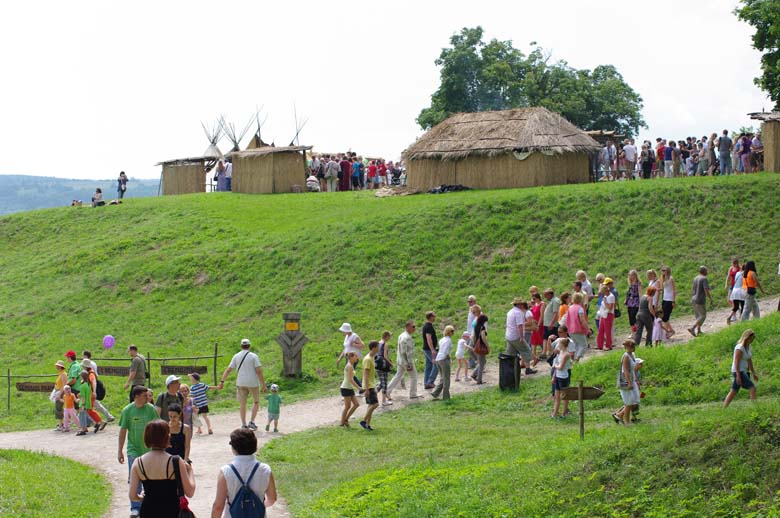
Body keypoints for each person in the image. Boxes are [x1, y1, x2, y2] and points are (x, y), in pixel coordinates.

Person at [129, 419, 196, 516]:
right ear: (167, 437)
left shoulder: (138, 462)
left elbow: (132, 496)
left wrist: (143, 498)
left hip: (148, 511)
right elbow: (190, 492)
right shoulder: (176, 461)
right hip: (172, 511)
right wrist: (190, 471)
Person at [211, 428, 277, 518]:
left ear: (234, 448)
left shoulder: (226, 471)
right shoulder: (265, 470)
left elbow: (218, 506)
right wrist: (259, 506)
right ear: (255, 446)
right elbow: (272, 498)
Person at [118, 385, 160, 517]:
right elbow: (123, 431)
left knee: (151, 478)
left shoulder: (151, 409)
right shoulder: (127, 410)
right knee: (135, 478)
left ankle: (151, 504)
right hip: (133, 449)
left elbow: (158, 427)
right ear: (136, 396)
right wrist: (120, 450)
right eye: (144, 395)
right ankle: (135, 507)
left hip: (150, 449)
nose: (148, 398)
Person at [219, 338, 268, 431]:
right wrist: (264, 385)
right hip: (253, 382)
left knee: (242, 404)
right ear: (249, 346)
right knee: (256, 402)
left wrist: (222, 381)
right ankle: (252, 421)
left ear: (241, 346)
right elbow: (259, 371)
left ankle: (244, 424)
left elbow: (228, 370)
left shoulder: (236, 356)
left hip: (240, 382)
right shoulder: (254, 356)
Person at [723, 329, 759, 407]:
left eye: (753, 339)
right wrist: (738, 376)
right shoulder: (740, 348)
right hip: (739, 371)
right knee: (752, 388)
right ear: (746, 338)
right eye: (751, 339)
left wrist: (753, 373)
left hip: (744, 371)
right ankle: (755, 408)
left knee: (734, 390)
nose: (752, 341)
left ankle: (724, 408)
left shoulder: (748, 347)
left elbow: (749, 360)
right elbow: (736, 362)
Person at [386, 320, 419, 399]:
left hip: (400, 360)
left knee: (398, 375)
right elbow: (406, 352)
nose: (414, 328)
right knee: (414, 376)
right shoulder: (407, 337)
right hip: (405, 361)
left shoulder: (402, 335)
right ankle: (413, 394)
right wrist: (409, 364)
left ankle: (387, 391)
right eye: (413, 327)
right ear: (408, 327)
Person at [505, 297, 536, 376]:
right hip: (516, 336)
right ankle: (528, 369)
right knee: (526, 350)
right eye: (521, 304)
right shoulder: (518, 313)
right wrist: (522, 337)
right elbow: (520, 326)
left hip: (509, 335)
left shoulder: (510, 312)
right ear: (519, 305)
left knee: (511, 353)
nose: (523, 305)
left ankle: (512, 370)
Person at [613, 340, 639, 425]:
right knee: (629, 402)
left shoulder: (633, 355)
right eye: (631, 347)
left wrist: (636, 380)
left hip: (633, 379)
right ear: (627, 347)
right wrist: (629, 383)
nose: (633, 348)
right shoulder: (626, 357)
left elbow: (634, 368)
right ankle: (626, 421)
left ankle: (619, 415)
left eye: (634, 346)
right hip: (626, 381)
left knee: (634, 400)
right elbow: (625, 371)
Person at [83, 350, 114, 422]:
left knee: (94, 405)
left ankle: (102, 419)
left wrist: (94, 391)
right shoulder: (93, 364)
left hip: (92, 388)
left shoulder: (90, 372)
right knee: (92, 405)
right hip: (91, 387)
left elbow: (93, 380)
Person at [336, 323, 365, 391]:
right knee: (350, 373)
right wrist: (340, 358)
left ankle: (360, 389)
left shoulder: (354, 336)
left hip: (353, 357)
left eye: (343, 331)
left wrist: (354, 344)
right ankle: (360, 388)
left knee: (350, 374)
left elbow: (362, 345)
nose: (342, 332)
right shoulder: (347, 336)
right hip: (348, 357)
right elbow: (346, 349)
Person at [80, 359, 105, 432]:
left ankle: (100, 422)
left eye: (83, 366)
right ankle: (99, 422)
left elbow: (94, 382)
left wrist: (94, 392)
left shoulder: (91, 374)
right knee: (89, 410)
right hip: (89, 394)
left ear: (85, 366)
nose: (82, 367)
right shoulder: (89, 373)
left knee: (89, 410)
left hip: (90, 394)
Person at [688, 266, 714, 337]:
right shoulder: (704, 279)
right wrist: (710, 298)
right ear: (704, 271)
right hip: (700, 299)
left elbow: (693, 289)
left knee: (698, 316)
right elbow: (706, 290)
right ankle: (692, 328)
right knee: (703, 316)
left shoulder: (695, 278)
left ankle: (699, 331)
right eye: (706, 271)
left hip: (694, 299)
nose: (707, 272)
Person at [360, 341, 380, 431]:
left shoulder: (372, 357)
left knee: (370, 406)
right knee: (375, 404)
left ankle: (367, 425)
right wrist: (367, 389)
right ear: (374, 348)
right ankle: (363, 420)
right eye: (378, 346)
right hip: (368, 386)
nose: (379, 348)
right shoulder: (368, 359)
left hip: (371, 384)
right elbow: (365, 374)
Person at [551, 338, 572, 419]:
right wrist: (554, 376)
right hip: (558, 376)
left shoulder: (566, 354)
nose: (558, 345)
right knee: (557, 396)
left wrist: (555, 365)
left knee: (564, 396)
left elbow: (560, 367)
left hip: (563, 377)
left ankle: (564, 413)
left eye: (559, 343)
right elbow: (557, 367)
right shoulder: (560, 352)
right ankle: (555, 413)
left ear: (562, 345)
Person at [432, 326, 454, 400]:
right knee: (446, 378)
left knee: (442, 377)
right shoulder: (448, 340)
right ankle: (446, 396)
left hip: (438, 358)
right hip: (444, 359)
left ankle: (435, 392)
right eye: (452, 331)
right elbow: (446, 351)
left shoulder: (442, 339)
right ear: (449, 332)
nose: (453, 332)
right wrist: (449, 358)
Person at [340, 352, 361, 427]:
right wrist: (358, 387)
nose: (357, 358)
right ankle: (342, 422)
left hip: (349, 388)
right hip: (345, 388)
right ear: (351, 357)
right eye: (356, 356)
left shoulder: (351, 366)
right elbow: (350, 379)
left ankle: (346, 419)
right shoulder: (349, 366)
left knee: (356, 404)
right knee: (347, 406)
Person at [565, 293, 589, 361]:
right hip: (578, 329)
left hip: (570, 329)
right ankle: (577, 358)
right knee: (584, 345)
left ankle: (573, 359)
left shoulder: (570, 307)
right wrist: (587, 328)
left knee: (576, 345)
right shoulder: (580, 308)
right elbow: (582, 320)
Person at [542, 288, 561, 359]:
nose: (545, 297)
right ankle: (546, 352)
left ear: (550, 294)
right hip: (547, 323)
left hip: (551, 324)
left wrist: (552, 323)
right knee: (546, 338)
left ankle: (554, 353)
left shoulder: (555, 301)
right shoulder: (551, 301)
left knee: (552, 339)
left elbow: (555, 313)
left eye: (546, 295)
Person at [422, 311, 439, 389]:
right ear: (430, 317)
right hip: (429, 349)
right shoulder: (428, 327)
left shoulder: (427, 326)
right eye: (434, 316)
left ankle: (426, 383)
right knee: (437, 364)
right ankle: (430, 382)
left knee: (428, 366)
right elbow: (429, 339)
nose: (435, 317)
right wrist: (432, 350)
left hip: (427, 349)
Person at [471, 314, 490, 384]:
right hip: (481, 346)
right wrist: (487, 346)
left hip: (476, 345)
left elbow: (473, 336)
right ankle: (479, 380)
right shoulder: (483, 328)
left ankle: (474, 374)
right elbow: (483, 337)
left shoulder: (476, 326)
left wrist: (475, 344)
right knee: (482, 363)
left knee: (483, 361)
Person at [596, 283, 616, 351]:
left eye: (603, 293)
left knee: (607, 331)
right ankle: (599, 344)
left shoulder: (611, 297)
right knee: (601, 330)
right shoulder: (605, 296)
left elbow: (610, 308)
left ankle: (608, 345)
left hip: (608, 315)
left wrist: (605, 302)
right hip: (603, 315)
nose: (603, 294)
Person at [376, 331, 394, 406]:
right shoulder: (385, 344)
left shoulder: (378, 343)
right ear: (386, 336)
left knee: (381, 382)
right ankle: (383, 401)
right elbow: (385, 356)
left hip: (378, 364)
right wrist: (390, 363)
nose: (390, 338)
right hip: (384, 365)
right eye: (389, 336)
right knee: (384, 383)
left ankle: (373, 394)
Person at [660, 266, 677, 337]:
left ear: (668, 271)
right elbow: (664, 289)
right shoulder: (663, 278)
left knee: (665, 317)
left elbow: (674, 290)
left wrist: (673, 301)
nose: (663, 272)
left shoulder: (671, 278)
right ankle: (667, 331)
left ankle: (671, 331)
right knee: (663, 316)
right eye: (662, 270)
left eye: (664, 270)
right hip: (664, 299)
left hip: (670, 299)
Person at [53, 359, 68, 431]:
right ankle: (61, 424)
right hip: (58, 391)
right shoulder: (60, 373)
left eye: (58, 366)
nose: (56, 367)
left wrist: (59, 394)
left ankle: (61, 425)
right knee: (58, 408)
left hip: (61, 393)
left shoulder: (63, 374)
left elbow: (64, 385)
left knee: (58, 408)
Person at [466, 295, 478, 369]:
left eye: (470, 301)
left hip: (473, 333)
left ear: (474, 301)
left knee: (472, 348)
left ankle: (478, 362)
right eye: (468, 301)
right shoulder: (470, 309)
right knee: (470, 348)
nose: (469, 303)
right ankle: (472, 363)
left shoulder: (475, 309)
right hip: (469, 332)